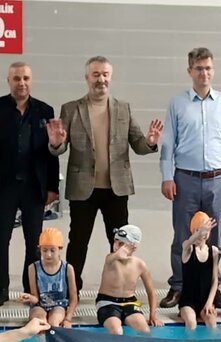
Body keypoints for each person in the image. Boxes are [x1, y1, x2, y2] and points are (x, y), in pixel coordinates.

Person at [47, 56, 163, 290]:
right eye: (96, 74)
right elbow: (59, 148)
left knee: (121, 242)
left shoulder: (123, 108)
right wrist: (56, 143)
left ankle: (120, 287)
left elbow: (138, 144)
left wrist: (150, 142)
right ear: (87, 78)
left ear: (110, 77)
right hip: (82, 189)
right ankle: (72, 288)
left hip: (116, 188)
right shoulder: (71, 109)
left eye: (105, 74)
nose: (101, 79)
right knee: (78, 241)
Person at [158, 47, 221, 310]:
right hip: (185, 179)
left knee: (213, 236)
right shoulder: (177, 103)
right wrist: (167, 176)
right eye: (198, 68)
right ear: (190, 71)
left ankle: (212, 287)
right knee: (183, 234)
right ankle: (178, 286)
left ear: (213, 70)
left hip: (218, 180)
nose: (204, 73)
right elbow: (168, 143)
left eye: (208, 68)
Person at [0, 62, 58, 304]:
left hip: (34, 185)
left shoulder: (44, 110)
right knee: (0, 239)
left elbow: (52, 151)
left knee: (33, 240)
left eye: (25, 78)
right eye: (16, 78)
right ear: (8, 81)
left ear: (31, 81)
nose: (21, 83)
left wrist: (53, 186)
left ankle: (30, 287)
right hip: (4, 185)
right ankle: (1, 289)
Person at [95, 224, 162, 335]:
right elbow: (116, 256)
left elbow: (151, 292)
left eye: (121, 244)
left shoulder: (140, 265)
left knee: (145, 331)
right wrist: (120, 252)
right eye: (115, 241)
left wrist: (153, 316)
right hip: (107, 302)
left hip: (129, 302)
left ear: (133, 247)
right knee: (116, 331)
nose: (116, 246)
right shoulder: (110, 260)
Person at [16, 228, 78, 328]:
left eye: (52, 250)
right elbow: (36, 298)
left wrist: (67, 319)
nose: (48, 254)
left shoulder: (67, 268)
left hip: (59, 306)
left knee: (54, 324)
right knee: (39, 324)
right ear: (40, 249)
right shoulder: (33, 268)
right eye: (44, 250)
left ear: (60, 249)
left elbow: (74, 298)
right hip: (39, 306)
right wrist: (29, 298)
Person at [178, 212, 221, 330]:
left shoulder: (213, 251)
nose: (203, 234)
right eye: (199, 230)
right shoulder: (188, 249)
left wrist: (209, 302)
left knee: (212, 325)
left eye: (206, 231)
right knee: (191, 323)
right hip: (188, 302)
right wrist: (198, 233)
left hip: (205, 301)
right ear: (193, 231)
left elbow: (215, 280)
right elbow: (187, 243)